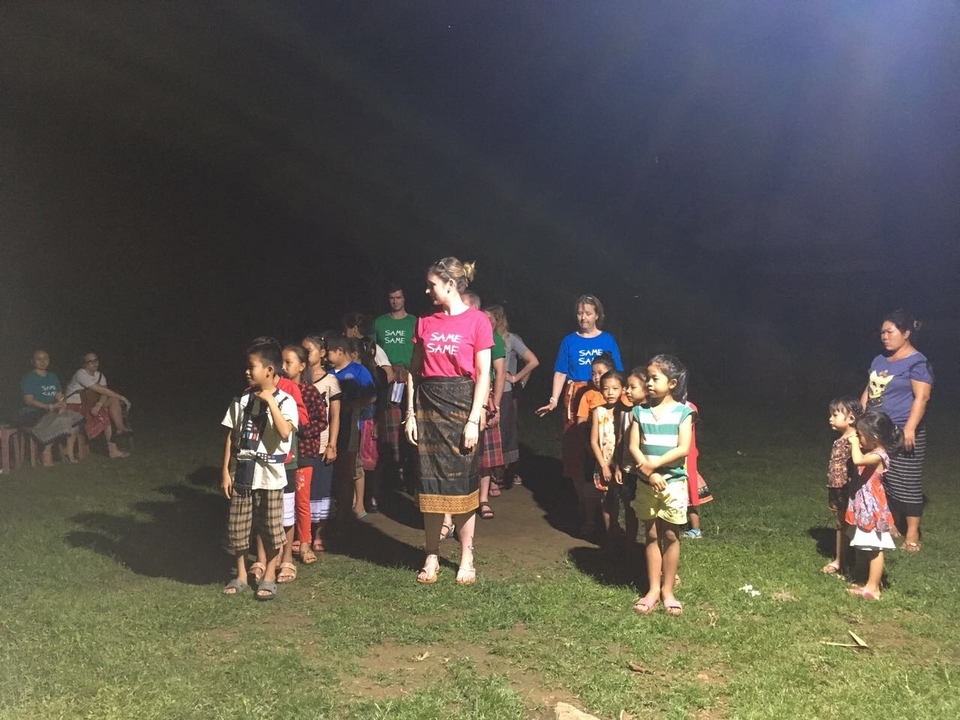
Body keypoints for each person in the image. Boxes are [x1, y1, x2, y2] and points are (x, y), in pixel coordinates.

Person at [405, 257, 492, 585]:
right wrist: (410, 415)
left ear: (451, 285)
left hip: (461, 406)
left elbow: (483, 373)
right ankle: (431, 555)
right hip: (428, 409)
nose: (427, 290)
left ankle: (466, 556)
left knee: (462, 485)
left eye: (432, 285)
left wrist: (474, 418)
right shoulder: (424, 321)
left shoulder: (478, 321)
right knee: (429, 484)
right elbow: (414, 371)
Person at [220, 340, 298, 600]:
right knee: (239, 527)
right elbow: (232, 435)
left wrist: (270, 402)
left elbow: (285, 431)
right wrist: (225, 471)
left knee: (270, 527)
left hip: (271, 477)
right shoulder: (241, 400)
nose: (247, 371)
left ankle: (269, 576)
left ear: (268, 370)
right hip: (243, 473)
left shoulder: (285, 400)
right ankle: (241, 574)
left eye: (252, 367)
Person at [859, 309, 933, 552]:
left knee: (907, 480)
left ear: (906, 333)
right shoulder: (879, 360)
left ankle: (912, 533)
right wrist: (860, 419)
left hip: (903, 429)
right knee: (883, 477)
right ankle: (892, 523)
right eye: (882, 332)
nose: (884, 336)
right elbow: (869, 389)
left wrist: (910, 428)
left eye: (890, 332)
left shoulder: (917, 362)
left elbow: (922, 397)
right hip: (876, 429)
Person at [628, 355, 693, 617]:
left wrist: (654, 466)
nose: (650, 383)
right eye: (648, 378)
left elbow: (683, 449)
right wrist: (647, 470)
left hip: (673, 484)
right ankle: (653, 589)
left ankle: (668, 591)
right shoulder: (639, 412)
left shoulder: (683, 412)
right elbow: (633, 446)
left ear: (673, 383)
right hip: (647, 483)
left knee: (670, 535)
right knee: (652, 534)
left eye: (655, 378)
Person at [536, 295, 623, 486]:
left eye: (588, 313)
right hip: (576, 394)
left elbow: (618, 372)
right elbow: (560, 372)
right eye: (580, 313)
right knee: (576, 440)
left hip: (602, 395)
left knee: (603, 437)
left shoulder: (608, 340)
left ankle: (604, 482)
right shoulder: (569, 341)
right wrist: (553, 400)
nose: (583, 318)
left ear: (597, 315)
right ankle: (579, 491)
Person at [846, 410, 900, 600]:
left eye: (861, 435)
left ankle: (873, 588)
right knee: (864, 544)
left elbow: (858, 460)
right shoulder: (872, 450)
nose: (858, 439)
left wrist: (854, 444)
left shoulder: (879, 455)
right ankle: (863, 578)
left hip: (873, 507)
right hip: (863, 504)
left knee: (875, 547)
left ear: (874, 437)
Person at [487, 304, 539, 486]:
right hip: (486, 392)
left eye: (489, 319)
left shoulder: (510, 339)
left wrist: (516, 378)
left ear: (498, 320)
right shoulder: (483, 337)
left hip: (506, 393)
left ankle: (504, 474)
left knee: (505, 433)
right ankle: (489, 475)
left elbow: (533, 361)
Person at [373, 285, 418, 491]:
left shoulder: (414, 322)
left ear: (404, 299)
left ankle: (411, 474)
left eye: (398, 297)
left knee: (411, 422)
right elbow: (373, 350)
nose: (395, 301)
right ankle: (392, 473)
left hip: (410, 377)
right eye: (391, 298)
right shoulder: (380, 322)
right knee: (389, 426)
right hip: (388, 378)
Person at [327, 335, 376, 522]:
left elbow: (371, 395)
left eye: (329, 352)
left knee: (353, 466)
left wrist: (353, 405)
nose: (326, 356)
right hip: (332, 428)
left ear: (340, 351)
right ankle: (338, 507)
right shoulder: (329, 373)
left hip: (352, 427)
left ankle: (357, 505)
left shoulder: (358, 370)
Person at [302, 334, 341, 552]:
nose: (306, 354)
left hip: (322, 442)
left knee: (321, 489)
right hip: (302, 442)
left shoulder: (330, 381)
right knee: (303, 490)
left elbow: (335, 415)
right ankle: (303, 534)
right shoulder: (299, 379)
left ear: (322, 353)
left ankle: (319, 533)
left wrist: (332, 444)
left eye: (309, 350)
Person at [574, 354, 618, 539]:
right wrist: (589, 445)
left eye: (601, 373)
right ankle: (590, 521)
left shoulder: (618, 393)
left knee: (612, 490)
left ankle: (612, 524)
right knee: (592, 488)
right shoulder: (589, 396)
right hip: (593, 451)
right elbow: (581, 422)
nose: (596, 377)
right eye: (593, 373)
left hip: (614, 452)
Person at [63, 352, 133, 459]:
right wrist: (122, 397)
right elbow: (100, 389)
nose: (94, 364)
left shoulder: (100, 375)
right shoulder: (81, 374)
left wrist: (99, 404)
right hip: (76, 405)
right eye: (90, 362)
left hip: (91, 403)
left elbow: (104, 393)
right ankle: (113, 448)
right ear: (84, 364)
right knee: (106, 415)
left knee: (113, 400)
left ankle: (120, 429)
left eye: (96, 361)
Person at [20, 349, 82, 466]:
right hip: (33, 412)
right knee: (53, 420)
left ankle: (68, 451)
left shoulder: (52, 377)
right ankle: (46, 451)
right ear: (32, 361)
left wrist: (61, 402)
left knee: (75, 419)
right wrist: (49, 406)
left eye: (46, 358)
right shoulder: (29, 378)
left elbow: (59, 394)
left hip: (52, 410)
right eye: (39, 359)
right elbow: (28, 400)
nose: (43, 362)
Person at [822, 397, 862, 575]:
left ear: (851, 418)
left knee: (852, 524)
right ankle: (840, 560)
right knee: (840, 524)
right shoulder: (840, 439)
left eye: (835, 415)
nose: (830, 418)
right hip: (836, 488)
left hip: (850, 489)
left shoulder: (857, 440)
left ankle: (858, 564)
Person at [590, 369, 627, 547]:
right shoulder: (598, 411)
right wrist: (603, 465)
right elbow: (594, 441)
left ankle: (621, 534)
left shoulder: (626, 412)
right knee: (605, 500)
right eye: (606, 388)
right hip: (603, 464)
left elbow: (623, 440)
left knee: (619, 500)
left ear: (623, 389)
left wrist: (617, 465)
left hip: (620, 465)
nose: (610, 392)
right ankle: (609, 538)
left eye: (615, 388)